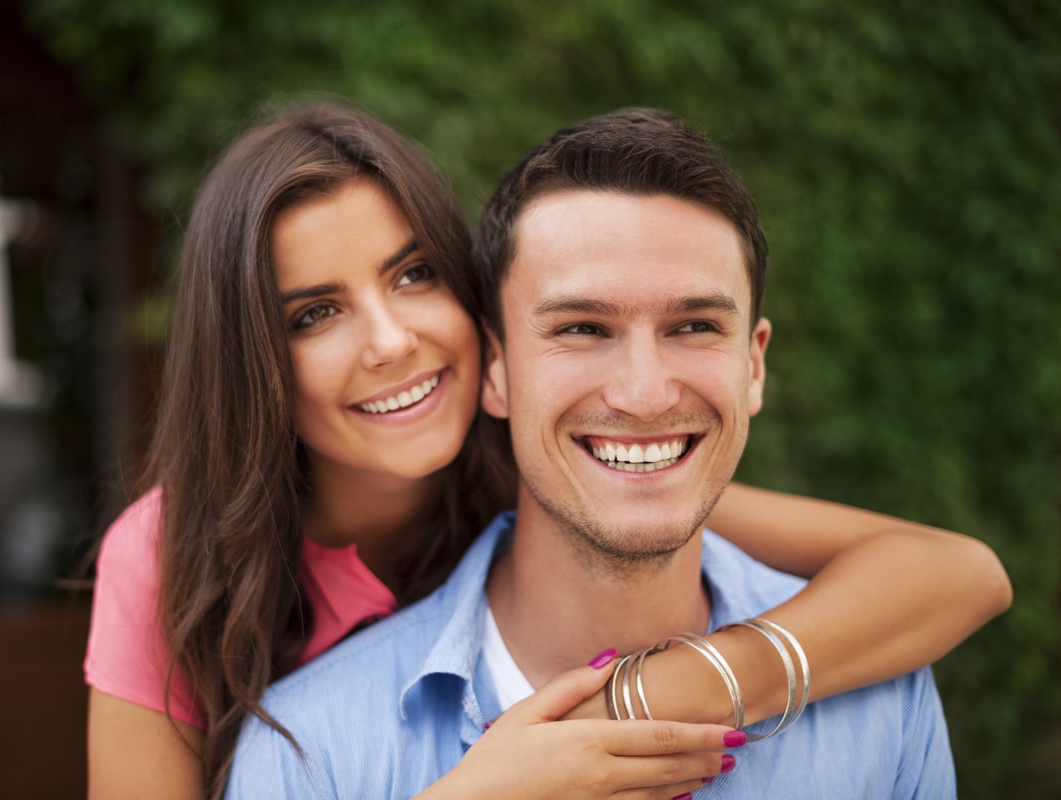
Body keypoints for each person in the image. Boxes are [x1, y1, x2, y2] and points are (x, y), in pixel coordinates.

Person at [87, 102, 1011, 799]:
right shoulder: (189, 571)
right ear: (254, 357)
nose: (389, 341)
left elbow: (952, 572)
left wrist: (669, 692)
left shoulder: (577, 468)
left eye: (414, 274)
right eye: (313, 313)